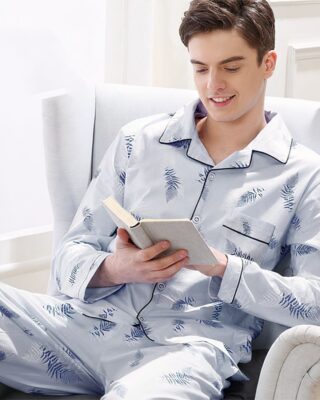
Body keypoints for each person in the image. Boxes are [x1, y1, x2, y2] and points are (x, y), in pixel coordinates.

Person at [1, 0, 320, 399]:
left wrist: (225, 268)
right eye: (200, 68)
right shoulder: (138, 142)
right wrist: (115, 268)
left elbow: (315, 302)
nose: (213, 85)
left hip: (185, 352)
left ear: (269, 63)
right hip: (80, 327)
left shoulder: (305, 175)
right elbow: (69, 254)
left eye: (231, 67)